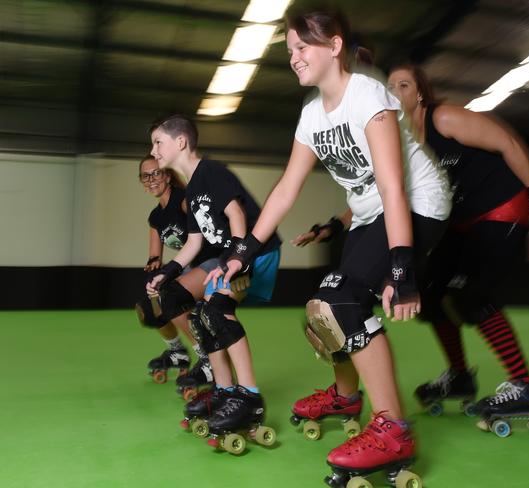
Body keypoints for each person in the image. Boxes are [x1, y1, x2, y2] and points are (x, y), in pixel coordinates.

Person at [213, 9, 451, 483]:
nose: (295, 58)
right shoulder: (310, 115)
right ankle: (346, 396)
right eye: (291, 52)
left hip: (418, 205)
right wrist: (245, 248)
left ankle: (393, 430)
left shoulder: (367, 96)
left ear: (335, 46)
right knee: (325, 312)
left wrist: (403, 267)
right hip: (368, 216)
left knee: (340, 301)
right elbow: (285, 189)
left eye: (303, 48)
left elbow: (392, 186)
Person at [386, 63, 529, 424]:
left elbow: (507, 141)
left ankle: (527, 387)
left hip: (503, 208)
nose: (396, 91)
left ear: (419, 93)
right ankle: (460, 376)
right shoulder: (401, 147)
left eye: (404, 84)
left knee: (472, 296)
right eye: (390, 87)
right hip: (462, 222)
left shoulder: (443, 119)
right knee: (429, 292)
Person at [147, 114, 282, 446]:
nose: (153, 150)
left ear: (181, 142)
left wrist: (238, 261)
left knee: (218, 309)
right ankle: (224, 392)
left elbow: (237, 215)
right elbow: (194, 242)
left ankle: (249, 397)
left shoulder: (212, 172)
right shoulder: (191, 189)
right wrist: (168, 271)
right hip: (229, 259)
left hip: (255, 254)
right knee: (199, 315)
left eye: (157, 142)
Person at [135, 156, 203, 384]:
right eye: (146, 175)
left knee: (170, 297)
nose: (151, 179)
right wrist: (152, 272)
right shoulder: (155, 217)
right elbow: (155, 257)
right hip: (186, 268)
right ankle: (178, 352)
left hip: (207, 265)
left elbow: (207, 233)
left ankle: (207, 358)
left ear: (167, 175)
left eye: (156, 173)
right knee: (147, 304)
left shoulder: (183, 200)